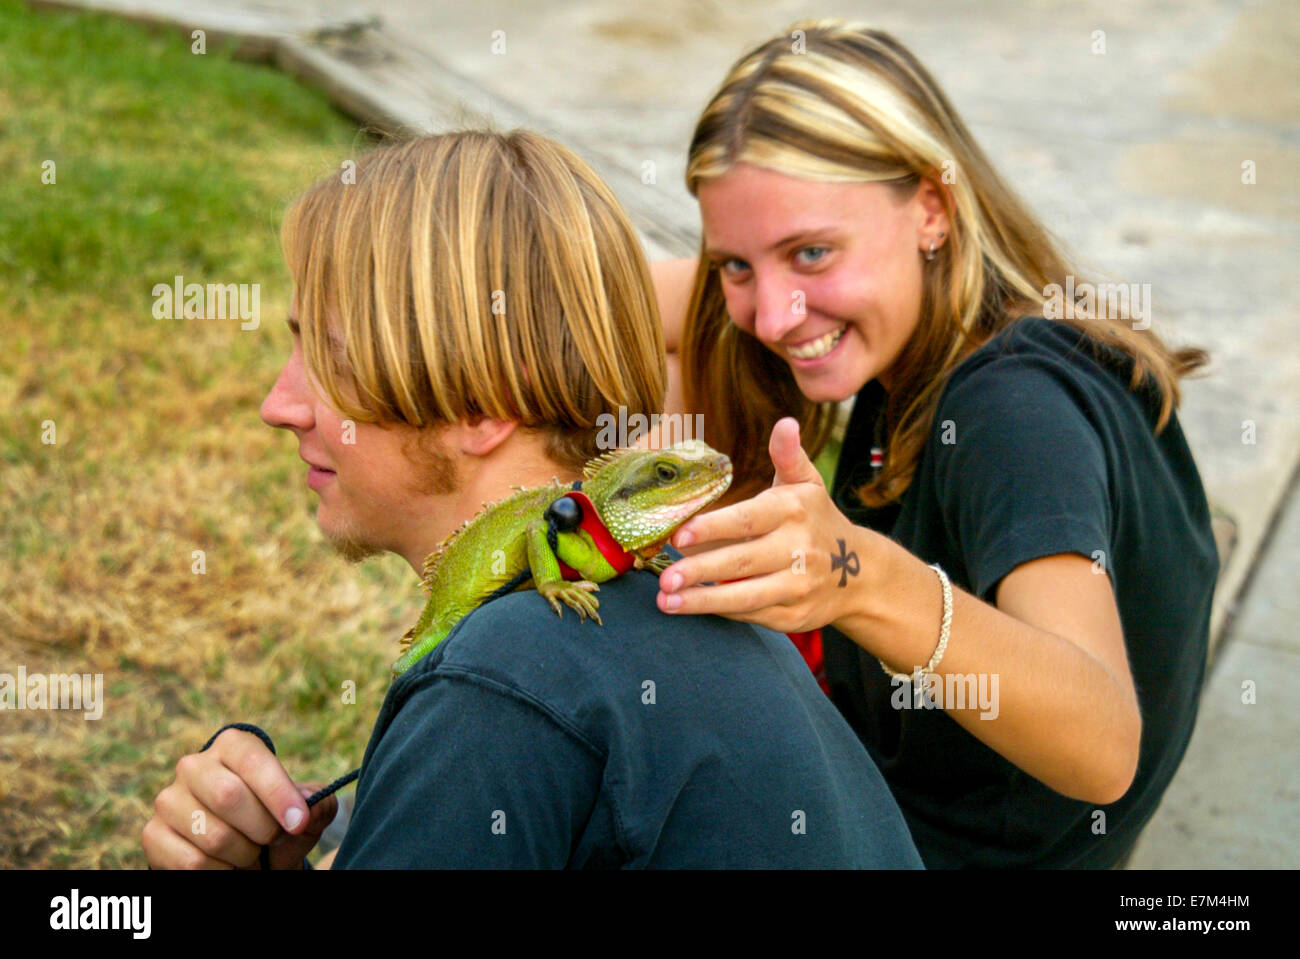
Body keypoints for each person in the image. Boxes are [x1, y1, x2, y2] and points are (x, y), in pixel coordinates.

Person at [140, 130, 924, 869]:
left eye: (330, 356)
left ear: (484, 408)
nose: (280, 404)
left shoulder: (504, 688)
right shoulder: (677, 597)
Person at [648, 20, 1219, 868]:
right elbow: (622, 290)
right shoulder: (932, 331)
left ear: (931, 208)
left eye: (810, 251)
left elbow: (1102, 742)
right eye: (738, 264)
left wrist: (859, 576)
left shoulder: (1012, 410)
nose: (772, 315)